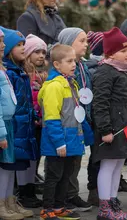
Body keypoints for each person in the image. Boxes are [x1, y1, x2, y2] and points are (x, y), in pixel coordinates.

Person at [38, 44, 93, 220]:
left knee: (65, 175)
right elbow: (52, 118)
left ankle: (59, 206)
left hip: (72, 140)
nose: (74, 64)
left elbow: (78, 114)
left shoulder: (71, 83)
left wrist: (87, 136)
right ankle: (47, 209)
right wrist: (59, 143)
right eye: (69, 61)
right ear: (56, 64)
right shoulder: (54, 87)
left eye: (74, 61)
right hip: (59, 142)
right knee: (53, 176)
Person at [92, 27, 127, 220]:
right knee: (108, 166)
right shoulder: (105, 71)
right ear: (110, 53)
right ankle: (104, 207)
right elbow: (100, 102)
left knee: (118, 166)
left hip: (125, 127)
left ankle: (113, 202)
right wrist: (105, 129)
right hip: (112, 129)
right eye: (122, 51)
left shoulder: (124, 70)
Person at [0, 26, 41, 208]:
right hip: (13, 127)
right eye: (18, 45)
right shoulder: (9, 73)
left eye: (24, 44)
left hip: (21, 126)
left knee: (13, 166)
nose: (23, 48)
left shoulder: (19, 71)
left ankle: (11, 202)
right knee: (7, 167)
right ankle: (5, 204)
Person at [58, 28, 93, 212]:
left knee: (77, 158)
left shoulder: (83, 65)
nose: (86, 44)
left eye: (86, 40)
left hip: (81, 118)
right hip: (68, 120)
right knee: (67, 161)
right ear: (68, 43)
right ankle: (63, 196)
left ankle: (72, 193)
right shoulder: (64, 70)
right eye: (81, 41)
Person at [23, 34, 48, 186]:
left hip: (39, 121)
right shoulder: (26, 74)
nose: (41, 56)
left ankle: (33, 177)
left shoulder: (41, 74)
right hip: (30, 121)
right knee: (29, 155)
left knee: (37, 153)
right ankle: (26, 185)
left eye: (43, 52)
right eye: (36, 52)